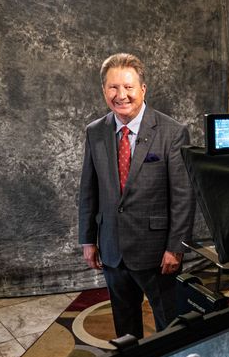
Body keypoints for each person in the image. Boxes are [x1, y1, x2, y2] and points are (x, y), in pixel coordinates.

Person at [78, 53, 196, 339]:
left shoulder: (172, 132)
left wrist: (176, 247)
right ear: (104, 91)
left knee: (170, 327)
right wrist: (88, 239)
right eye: (113, 88)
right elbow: (88, 190)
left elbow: (183, 196)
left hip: (157, 252)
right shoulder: (95, 132)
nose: (121, 95)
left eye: (128, 87)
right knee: (125, 327)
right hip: (112, 248)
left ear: (143, 89)